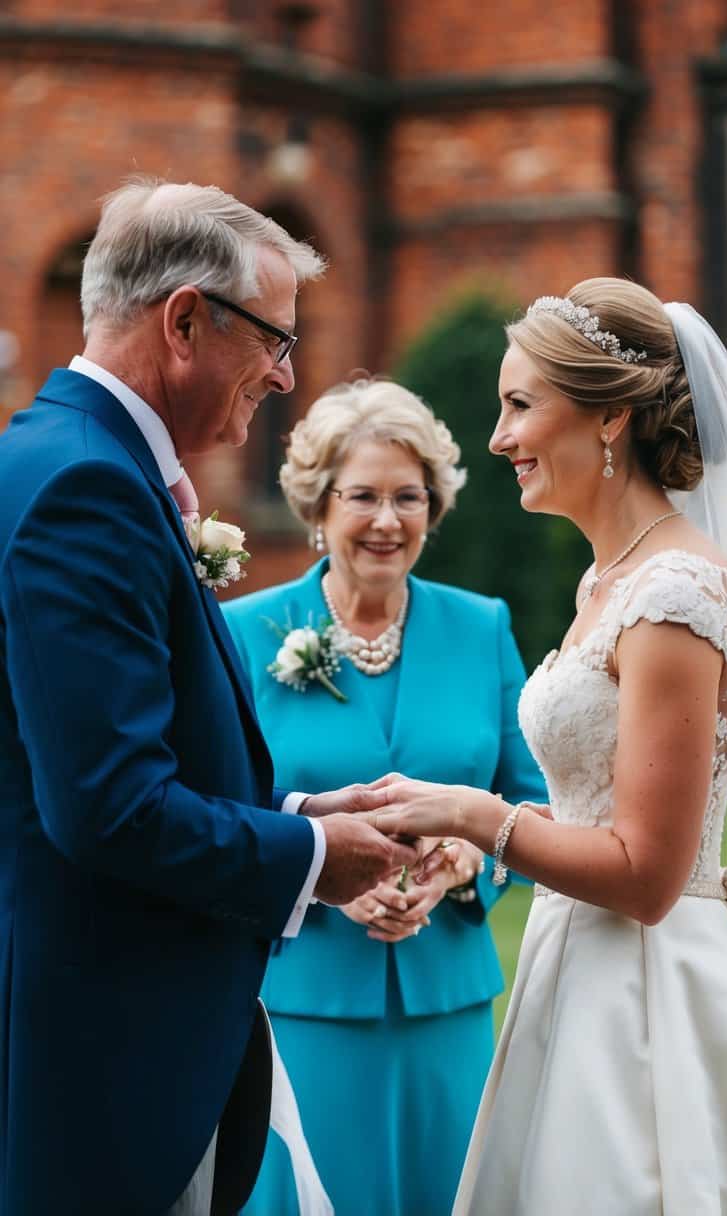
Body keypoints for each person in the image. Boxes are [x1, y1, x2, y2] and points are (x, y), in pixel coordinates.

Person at [0, 179, 420, 1216]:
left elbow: (116, 755)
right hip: (104, 1054)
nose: (283, 375)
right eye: (273, 339)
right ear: (185, 320)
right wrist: (316, 860)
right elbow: (108, 806)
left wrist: (290, 816)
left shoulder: (60, 457)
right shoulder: (82, 489)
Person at [367, 279, 727, 1214]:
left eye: (519, 406)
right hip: (571, 964)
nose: (497, 438)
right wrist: (495, 835)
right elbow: (605, 809)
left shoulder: (676, 598)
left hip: (649, 1003)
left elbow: (649, 875)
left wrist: (477, 813)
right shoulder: (605, 586)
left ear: (610, 416)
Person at [223, 377, 546, 1216]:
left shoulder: (481, 627)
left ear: (434, 507)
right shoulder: (243, 630)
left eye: (409, 497)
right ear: (318, 503)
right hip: (304, 997)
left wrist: (470, 863)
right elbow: (219, 807)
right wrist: (322, 877)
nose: (386, 520)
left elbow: (535, 803)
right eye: (362, 495)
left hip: (447, 1000)